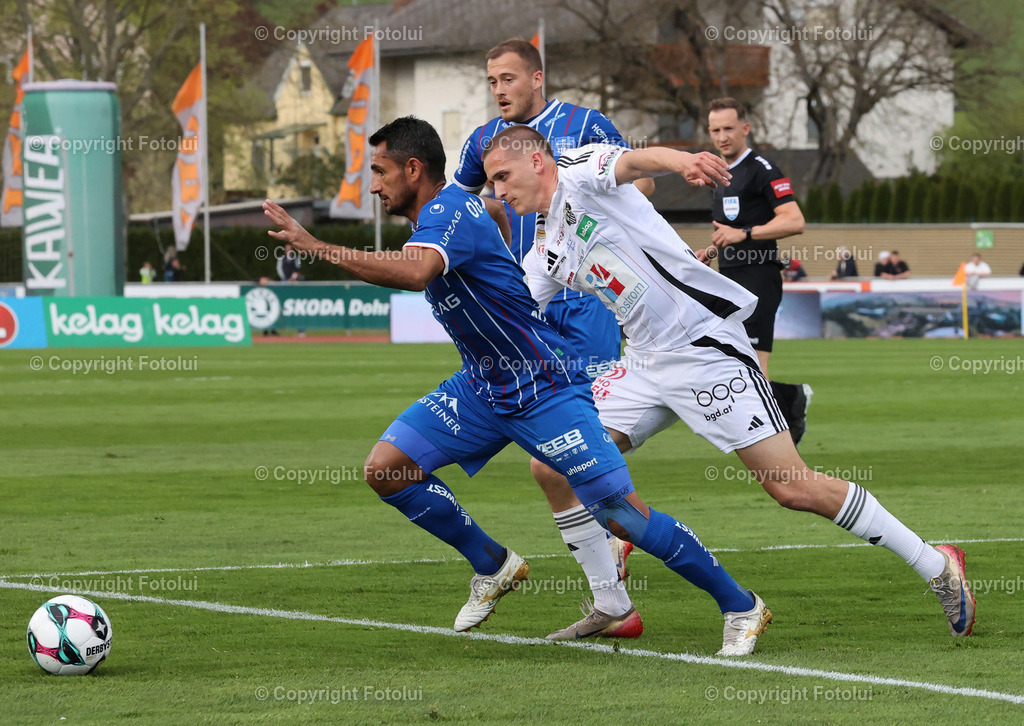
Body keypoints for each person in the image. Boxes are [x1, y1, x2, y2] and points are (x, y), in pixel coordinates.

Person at [264, 116, 771, 656]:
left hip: (542, 386)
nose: (373, 184)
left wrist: (314, 245)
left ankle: (740, 603)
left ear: (414, 169)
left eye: (380, 171)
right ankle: (493, 563)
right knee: (387, 470)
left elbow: (414, 274)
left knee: (622, 515)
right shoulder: (431, 222)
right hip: (482, 387)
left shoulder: (452, 210)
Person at [482, 124, 976, 639]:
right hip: (644, 363)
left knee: (792, 488)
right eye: (492, 183)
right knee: (555, 466)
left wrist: (681, 161)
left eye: (503, 176)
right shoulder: (546, 249)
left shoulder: (579, 171)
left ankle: (935, 563)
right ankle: (614, 606)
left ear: (536, 161)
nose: (499, 191)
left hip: (704, 349)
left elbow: (632, 161)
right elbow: (514, 311)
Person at [452, 37, 654, 638]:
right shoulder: (482, 143)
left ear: (537, 79)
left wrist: (592, 209)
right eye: (491, 81)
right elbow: (461, 206)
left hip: (587, 303)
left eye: (508, 78)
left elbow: (638, 185)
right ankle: (615, 560)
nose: (499, 89)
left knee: (574, 445)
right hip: (528, 302)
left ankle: (620, 550)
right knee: (556, 455)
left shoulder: (586, 124)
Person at [704, 98, 813, 445]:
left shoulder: (762, 168)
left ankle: (771, 447)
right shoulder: (720, 174)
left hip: (759, 277)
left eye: (728, 128)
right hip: (729, 278)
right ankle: (790, 400)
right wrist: (708, 251)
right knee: (730, 364)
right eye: (715, 130)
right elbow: (729, 230)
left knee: (753, 367)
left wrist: (745, 235)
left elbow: (795, 221)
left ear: (745, 129)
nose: (722, 136)